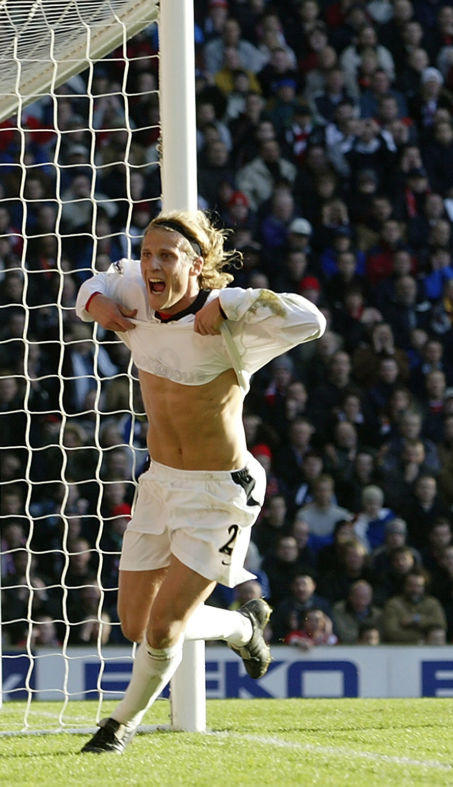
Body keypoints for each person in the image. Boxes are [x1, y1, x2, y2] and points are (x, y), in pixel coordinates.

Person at [76, 209, 326, 753]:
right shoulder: (135, 293)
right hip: (161, 483)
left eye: (166, 255)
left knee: (165, 629)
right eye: (145, 254)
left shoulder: (229, 316)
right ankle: (241, 629)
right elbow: (91, 284)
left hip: (220, 493)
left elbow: (311, 320)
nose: (151, 266)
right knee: (135, 625)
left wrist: (232, 301)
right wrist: (95, 301)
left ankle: (117, 727)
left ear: (197, 263)